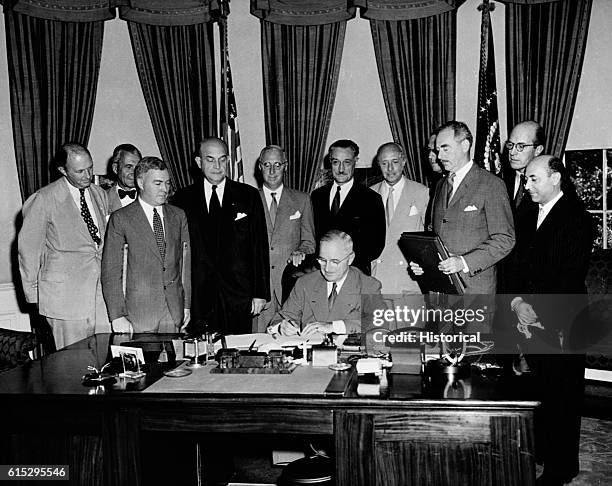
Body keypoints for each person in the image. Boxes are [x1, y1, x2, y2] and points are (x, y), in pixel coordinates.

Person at [505, 155, 593, 486]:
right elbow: (513, 266)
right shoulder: (526, 215)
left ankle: (561, 468)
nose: (525, 186)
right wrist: (515, 303)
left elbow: (567, 276)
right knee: (540, 389)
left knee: (563, 396)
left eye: (533, 179)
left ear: (555, 178)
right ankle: (541, 452)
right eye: (525, 179)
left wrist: (532, 309)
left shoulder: (579, 219)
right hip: (526, 315)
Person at [172, 137, 270, 335]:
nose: (217, 166)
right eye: (210, 160)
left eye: (222, 159)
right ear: (199, 163)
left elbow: (259, 245)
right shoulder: (182, 199)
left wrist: (260, 293)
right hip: (198, 296)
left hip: (238, 294)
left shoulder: (248, 196)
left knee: (237, 355)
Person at [18, 143, 110, 349]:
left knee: (103, 362)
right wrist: (33, 296)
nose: (87, 175)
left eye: (90, 168)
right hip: (65, 298)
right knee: (72, 365)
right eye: (79, 171)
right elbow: (28, 250)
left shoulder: (99, 194)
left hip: (100, 297)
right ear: (63, 170)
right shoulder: (44, 199)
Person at [411, 121, 515, 294]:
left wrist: (463, 262)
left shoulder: (491, 184)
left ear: (465, 145)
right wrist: (423, 261)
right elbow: (433, 231)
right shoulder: (441, 185)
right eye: (437, 150)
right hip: (441, 290)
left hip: (474, 290)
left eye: (445, 149)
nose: (439, 156)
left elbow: (505, 239)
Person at [101, 157, 191, 333]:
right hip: (138, 314)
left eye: (167, 183)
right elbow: (111, 272)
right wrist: (117, 316)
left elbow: (185, 264)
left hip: (173, 311)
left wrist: (186, 304)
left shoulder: (178, 216)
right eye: (157, 183)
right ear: (141, 182)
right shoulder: (120, 219)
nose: (165, 189)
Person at [268, 230, 382, 336]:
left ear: (350, 258)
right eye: (322, 260)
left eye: (335, 261)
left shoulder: (368, 286)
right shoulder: (305, 283)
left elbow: (380, 323)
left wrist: (333, 327)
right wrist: (281, 327)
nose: (327, 268)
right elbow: (279, 319)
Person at [255, 145, 316, 331]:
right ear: (259, 167)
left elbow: (310, 241)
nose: (272, 171)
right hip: (259, 291)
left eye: (277, 165)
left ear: (286, 166)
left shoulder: (302, 199)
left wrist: (301, 251)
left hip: (291, 288)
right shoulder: (249, 199)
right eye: (267, 165)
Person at [311, 139, 385, 276]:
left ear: (355, 161)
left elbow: (376, 245)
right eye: (335, 162)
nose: (340, 169)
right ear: (330, 162)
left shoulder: (371, 199)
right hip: (321, 273)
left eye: (346, 162)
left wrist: (342, 263)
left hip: (355, 275)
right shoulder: (316, 197)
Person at [370, 142, 429, 294]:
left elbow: (428, 240)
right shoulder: (368, 194)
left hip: (408, 281)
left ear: (403, 161)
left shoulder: (422, 193)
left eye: (395, 162)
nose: (390, 169)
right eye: (384, 163)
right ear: (378, 165)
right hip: (376, 280)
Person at [107, 144, 142, 212]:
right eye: (129, 167)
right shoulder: (103, 198)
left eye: (137, 168)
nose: (134, 173)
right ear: (115, 168)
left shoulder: (148, 196)